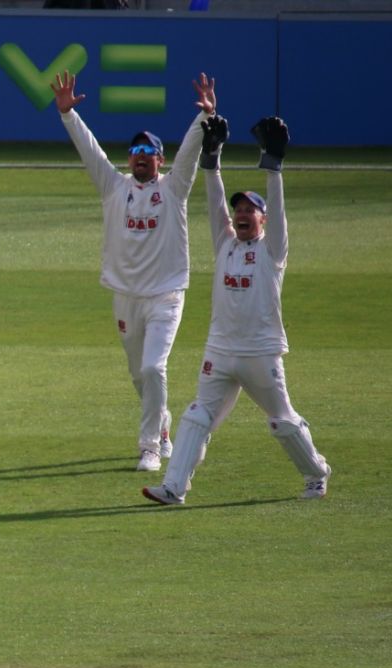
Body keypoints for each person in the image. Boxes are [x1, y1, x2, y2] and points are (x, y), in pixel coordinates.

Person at [143, 115, 331, 505]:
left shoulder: (271, 251)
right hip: (220, 351)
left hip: (261, 353)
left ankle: (316, 473)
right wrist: (211, 162)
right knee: (196, 418)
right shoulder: (225, 244)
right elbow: (215, 208)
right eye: (239, 209)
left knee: (282, 422)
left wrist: (273, 167)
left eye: (251, 210)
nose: (242, 214)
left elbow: (278, 215)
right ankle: (174, 489)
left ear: (261, 219)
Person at [50, 70, 217, 472]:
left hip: (166, 294)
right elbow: (90, 151)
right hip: (125, 295)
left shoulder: (174, 189)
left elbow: (192, 153)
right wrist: (68, 115)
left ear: (160, 160)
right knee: (139, 377)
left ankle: (150, 448)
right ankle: (161, 427)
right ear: (130, 159)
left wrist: (206, 117)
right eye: (136, 150)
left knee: (153, 367)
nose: (141, 155)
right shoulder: (114, 187)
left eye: (150, 150)